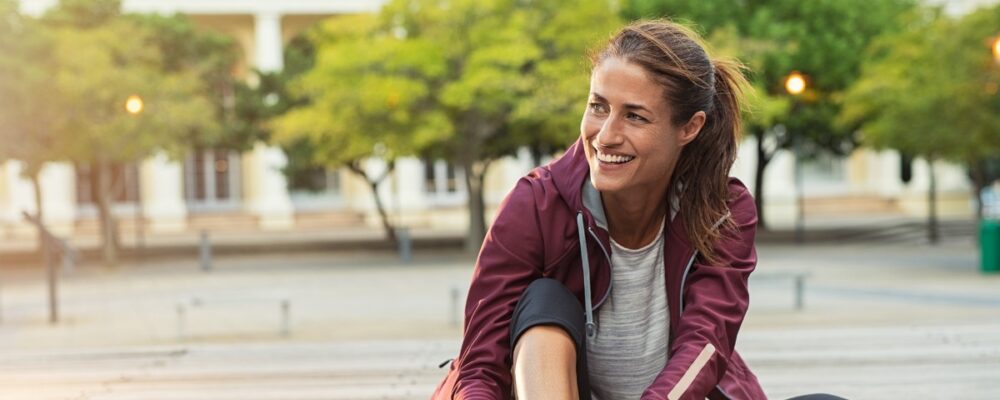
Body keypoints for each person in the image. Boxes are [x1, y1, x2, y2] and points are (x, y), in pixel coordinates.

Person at [433, 20, 827, 400]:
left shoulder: (723, 211)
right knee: (544, 300)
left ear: (689, 128)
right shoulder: (535, 204)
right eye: (598, 107)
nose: (606, 136)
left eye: (635, 116)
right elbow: (480, 364)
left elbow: (706, 343)